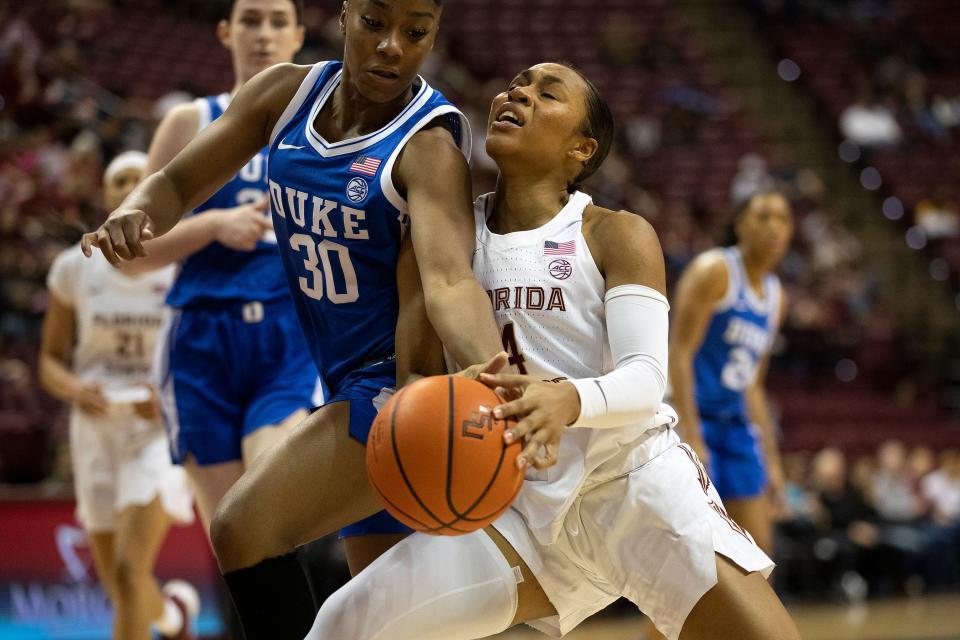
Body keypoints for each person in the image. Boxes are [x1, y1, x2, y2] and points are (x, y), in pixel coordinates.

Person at [304, 62, 801, 640]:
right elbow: (417, 371)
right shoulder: (445, 233)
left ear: (580, 149)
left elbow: (646, 380)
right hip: (518, 508)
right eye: (517, 84)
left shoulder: (615, 232)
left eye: (548, 93)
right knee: (343, 622)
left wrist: (565, 400)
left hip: (634, 487)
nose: (519, 93)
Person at [80, 1, 505, 637]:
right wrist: (137, 210)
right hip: (337, 376)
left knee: (241, 528)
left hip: (397, 388)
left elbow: (447, 281)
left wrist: (488, 372)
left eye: (415, 33)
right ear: (344, 15)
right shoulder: (286, 93)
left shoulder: (428, 147)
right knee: (382, 624)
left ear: (433, 37)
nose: (392, 45)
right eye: (374, 24)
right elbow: (174, 182)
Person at [113, 0, 321, 540]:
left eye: (278, 22)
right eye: (251, 20)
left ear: (299, 36)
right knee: (231, 537)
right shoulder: (191, 120)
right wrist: (211, 226)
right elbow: (133, 253)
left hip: (287, 333)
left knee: (271, 500)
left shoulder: (320, 131)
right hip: (200, 336)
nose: (264, 35)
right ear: (225, 32)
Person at [40, 151, 198, 640]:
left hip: (155, 428)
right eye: (119, 179)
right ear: (107, 195)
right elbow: (48, 359)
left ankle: (170, 619)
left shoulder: (179, 264)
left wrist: (171, 394)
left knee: (131, 571)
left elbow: (202, 354)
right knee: (117, 582)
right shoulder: (73, 267)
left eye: (138, 178)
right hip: (95, 425)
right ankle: (174, 620)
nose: (129, 184)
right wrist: (74, 388)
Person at [669, 190, 793, 555]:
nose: (774, 227)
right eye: (764, 216)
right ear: (741, 224)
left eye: (783, 219)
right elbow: (679, 354)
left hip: (735, 426)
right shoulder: (715, 270)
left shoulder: (776, 296)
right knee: (698, 553)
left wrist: (771, 459)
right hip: (693, 418)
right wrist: (691, 434)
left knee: (759, 554)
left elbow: (754, 384)